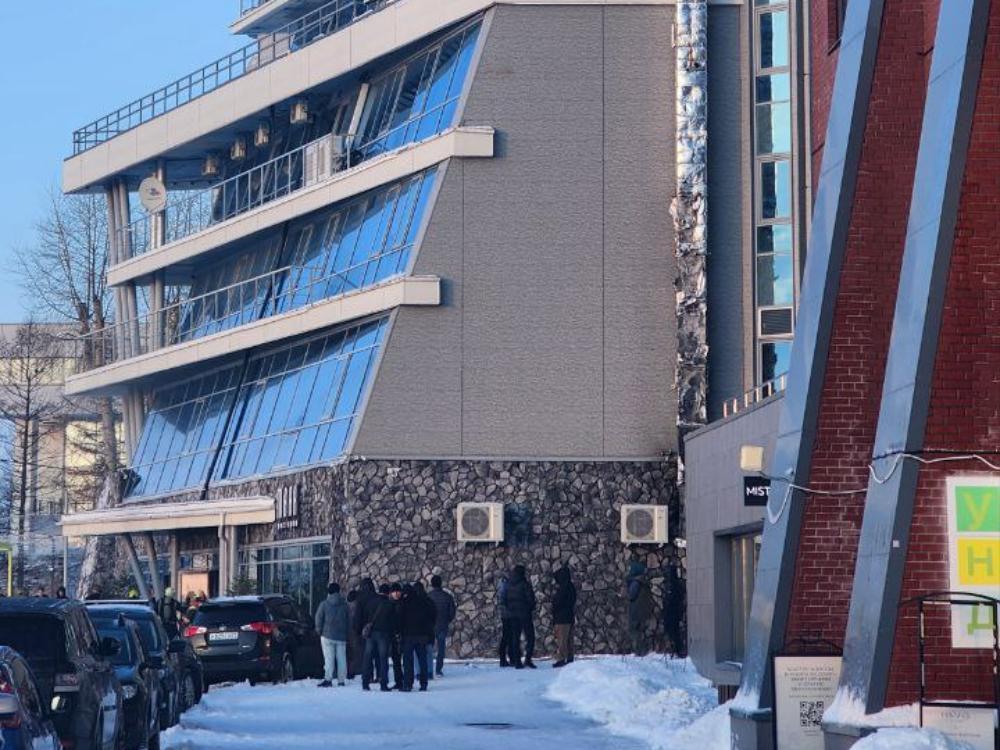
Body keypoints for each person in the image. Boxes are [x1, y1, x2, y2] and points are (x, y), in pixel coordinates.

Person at [398, 581, 436, 691]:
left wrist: (400, 632)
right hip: (422, 635)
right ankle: (424, 683)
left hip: (408, 635)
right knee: (422, 659)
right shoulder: (423, 601)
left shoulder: (404, 603)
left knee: (408, 661)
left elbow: (400, 619)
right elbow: (431, 616)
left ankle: (408, 684)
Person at [360, 582, 395, 691]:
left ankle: (365, 682)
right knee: (383, 658)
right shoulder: (389, 604)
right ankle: (383, 683)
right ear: (388, 593)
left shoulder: (371, 602)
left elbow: (365, 616)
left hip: (370, 633)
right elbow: (392, 621)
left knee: (367, 657)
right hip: (383, 633)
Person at [315, 582, 350, 687]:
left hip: (327, 635)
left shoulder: (324, 604)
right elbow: (349, 620)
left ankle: (328, 679)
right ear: (339, 591)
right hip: (341, 636)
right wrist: (347, 633)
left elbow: (318, 618)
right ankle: (341, 680)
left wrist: (319, 630)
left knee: (329, 658)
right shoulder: (345, 605)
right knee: (342, 659)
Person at [502, 564, 536, 669]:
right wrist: (530, 608)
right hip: (524, 614)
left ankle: (517, 661)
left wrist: (510, 608)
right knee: (530, 637)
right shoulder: (524, 584)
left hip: (512, 615)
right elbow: (531, 599)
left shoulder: (508, 584)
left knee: (515, 638)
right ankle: (528, 659)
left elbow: (504, 599)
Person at [427, 575, 456, 678]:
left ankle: (429, 668)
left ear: (432, 584)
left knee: (428, 648)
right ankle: (438, 669)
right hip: (443, 625)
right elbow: (452, 612)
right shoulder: (447, 597)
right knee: (441, 648)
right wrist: (447, 620)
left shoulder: (428, 596)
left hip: (430, 626)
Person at [551, 566, 577, 668]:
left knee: (562, 639)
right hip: (569, 616)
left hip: (561, 618)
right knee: (569, 639)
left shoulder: (563, 588)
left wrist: (554, 609)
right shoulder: (571, 587)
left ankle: (561, 658)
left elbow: (557, 602)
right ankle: (570, 657)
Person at [627, 560, 653, 656]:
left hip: (635, 610)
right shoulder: (644, 582)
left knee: (634, 631)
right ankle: (642, 650)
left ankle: (638, 651)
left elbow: (631, 595)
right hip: (643, 611)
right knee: (641, 631)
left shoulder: (635, 582)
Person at [346, 589, 362, 680]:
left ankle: (348, 670)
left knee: (348, 654)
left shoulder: (345, 607)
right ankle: (353, 670)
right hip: (356, 632)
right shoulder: (359, 607)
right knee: (355, 653)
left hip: (346, 633)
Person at [497, 573, 512, 667]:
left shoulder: (502, 585)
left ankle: (504, 659)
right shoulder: (505, 586)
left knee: (506, 637)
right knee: (507, 637)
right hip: (508, 614)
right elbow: (503, 600)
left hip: (505, 614)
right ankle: (504, 659)